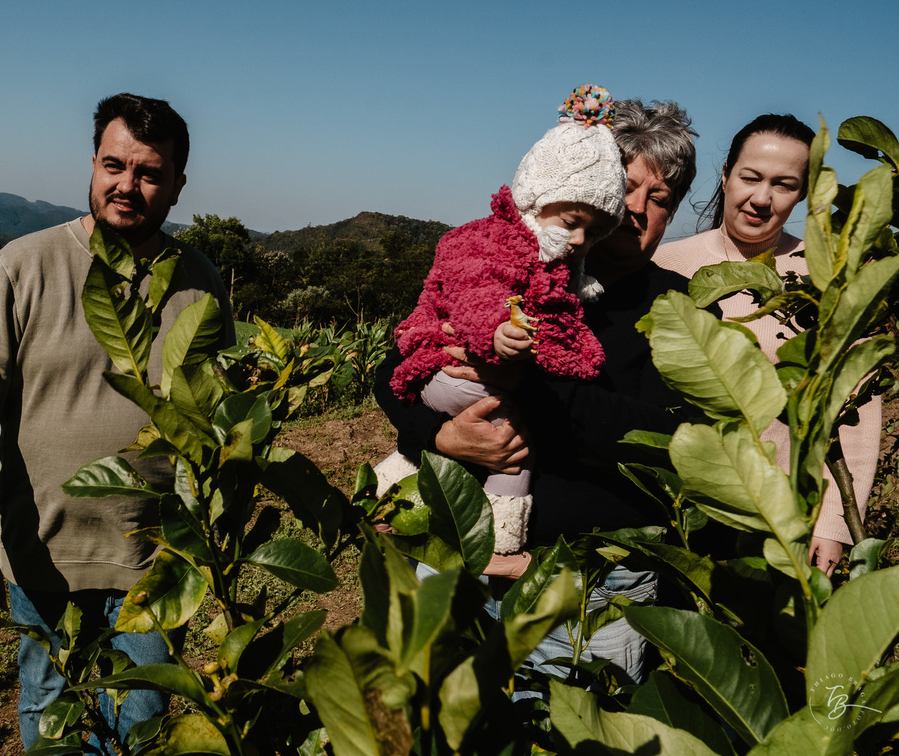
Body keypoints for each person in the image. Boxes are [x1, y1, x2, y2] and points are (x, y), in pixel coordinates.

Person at [0, 93, 234, 756]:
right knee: (50, 714)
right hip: (45, 556)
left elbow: (217, 419)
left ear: (178, 185)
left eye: (149, 173)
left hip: (154, 564)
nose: (128, 185)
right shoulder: (23, 269)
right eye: (114, 165)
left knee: (142, 724)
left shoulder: (200, 284)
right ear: (94, 164)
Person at [374, 97, 700, 684]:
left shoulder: (682, 309)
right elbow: (396, 366)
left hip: (589, 590)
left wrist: (534, 381)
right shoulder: (525, 264)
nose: (635, 211)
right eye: (625, 187)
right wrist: (442, 435)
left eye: (661, 200)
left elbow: (673, 437)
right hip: (461, 560)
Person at [389, 85, 624, 563]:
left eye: (596, 232)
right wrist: (496, 333)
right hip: (447, 366)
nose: (580, 240)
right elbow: (478, 292)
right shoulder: (487, 240)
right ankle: (500, 539)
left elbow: (562, 325)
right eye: (573, 221)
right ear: (535, 199)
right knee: (512, 443)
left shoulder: (556, 261)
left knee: (490, 433)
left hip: (457, 374)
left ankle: (400, 476)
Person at [653, 113, 882, 576]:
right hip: (673, 513)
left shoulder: (829, 278)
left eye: (784, 184)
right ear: (726, 175)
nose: (761, 198)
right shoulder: (665, 265)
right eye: (750, 177)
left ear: (803, 193)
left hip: (786, 523)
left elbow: (859, 408)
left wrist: (835, 524)